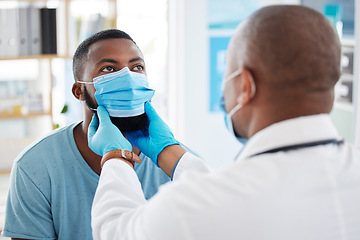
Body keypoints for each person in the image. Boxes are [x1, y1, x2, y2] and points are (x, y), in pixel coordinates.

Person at [89, 5, 360, 240]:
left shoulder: (195, 207)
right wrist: (170, 153)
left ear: (244, 85)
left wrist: (116, 156)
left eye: (227, 72)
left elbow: (117, 231)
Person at [3, 29, 171, 239]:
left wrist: (174, 160)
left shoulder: (174, 165)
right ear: (78, 91)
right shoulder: (35, 167)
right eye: (109, 68)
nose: (128, 77)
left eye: (137, 67)